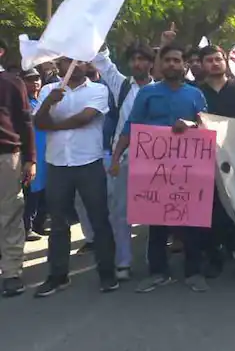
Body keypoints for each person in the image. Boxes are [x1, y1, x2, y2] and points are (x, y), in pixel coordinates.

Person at [110, 44, 209, 293]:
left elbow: (206, 126)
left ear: (184, 65)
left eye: (177, 60)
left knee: (191, 221)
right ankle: (157, 272)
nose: (173, 65)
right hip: (156, 170)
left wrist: (189, 125)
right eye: (168, 61)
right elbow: (131, 127)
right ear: (160, 65)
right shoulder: (147, 94)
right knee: (156, 221)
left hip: (189, 169)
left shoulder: (195, 94)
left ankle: (194, 272)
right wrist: (116, 157)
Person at [33, 57, 117, 297]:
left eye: (78, 61)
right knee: (58, 223)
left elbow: (85, 118)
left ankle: (107, 273)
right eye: (67, 61)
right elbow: (39, 122)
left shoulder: (98, 90)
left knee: (99, 219)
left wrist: (54, 126)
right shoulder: (49, 90)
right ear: (59, 65)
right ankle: (58, 276)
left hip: (88, 163)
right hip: (57, 164)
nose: (73, 65)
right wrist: (48, 103)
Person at [96, 44, 155, 281]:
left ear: (151, 63)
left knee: (153, 211)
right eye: (134, 60)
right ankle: (123, 261)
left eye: (142, 59)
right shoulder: (121, 86)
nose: (137, 64)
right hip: (122, 158)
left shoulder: (159, 90)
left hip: (153, 160)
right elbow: (103, 63)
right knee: (119, 211)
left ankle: (154, 257)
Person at [197, 44, 235, 278]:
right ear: (201, 65)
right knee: (211, 208)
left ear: (226, 61)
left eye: (218, 59)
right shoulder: (195, 92)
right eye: (209, 60)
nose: (214, 63)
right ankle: (214, 257)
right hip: (206, 158)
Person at [0, 39, 36, 297]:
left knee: (9, 214)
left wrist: (30, 158)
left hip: (6, 157)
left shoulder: (13, 83)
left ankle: (11, 272)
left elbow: (25, 122)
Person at [21, 69, 47, 241]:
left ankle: (39, 224)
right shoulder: (22, 102)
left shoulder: (43, 99)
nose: (35, 82)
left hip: (47, 153)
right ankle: (26, 227)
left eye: (37, 78)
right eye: (30, 79)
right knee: (30, 193)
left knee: (44, 192)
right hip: (32, 154)